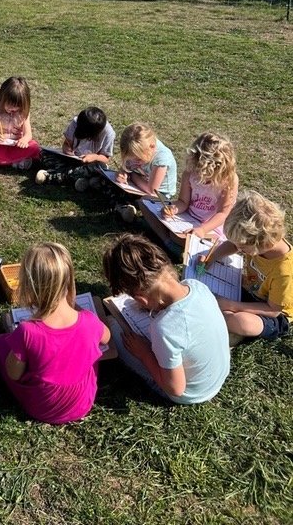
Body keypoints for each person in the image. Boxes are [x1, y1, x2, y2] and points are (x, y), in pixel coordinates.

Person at [103, 233, 230, 404]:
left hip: (192, 393)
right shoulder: (197, 286)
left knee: (114, 329)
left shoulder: (164, 328)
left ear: (142, 299)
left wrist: (145, 353)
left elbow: (176, 389)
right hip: (215, 377)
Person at [0, 243, 110, 424]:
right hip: (82, 404)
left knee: (0, 343)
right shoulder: (89, 321)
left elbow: (14, 374)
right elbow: (106, 337)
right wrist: (76, 308)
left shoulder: (28, 330)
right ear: (69, 280)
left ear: (29, 287)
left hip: (42, 407)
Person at [207, 191, 291, 341]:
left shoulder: (285, 271)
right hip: (249, 290)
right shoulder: (258, 241)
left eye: (242, 247)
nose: (238, 248)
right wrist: (212, 257)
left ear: (262, 243)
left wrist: (231, 305)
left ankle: (233, 328)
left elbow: (273, 310)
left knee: (241, 322)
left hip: (273, 312)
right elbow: (233, 246)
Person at [141, 132, 239, 244]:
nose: (201, 175)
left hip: (211, 226)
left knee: (180, 237)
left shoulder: (229, 180)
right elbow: (183, 201)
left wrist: (202, 229)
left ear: (221, 168)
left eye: (208, 173)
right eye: (199, 169)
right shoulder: (190, 173)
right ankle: (168, 242)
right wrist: (173, 209)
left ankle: (173, 242)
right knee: (144, 202)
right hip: (187, 217)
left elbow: (222, 213)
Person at [36, 106, 115, 187]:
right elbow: (67, 144)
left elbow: (105, 159)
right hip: (72, 160)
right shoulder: (76, 122)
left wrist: (94, 157)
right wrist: (67, 149)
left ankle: (54, 176)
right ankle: (78, 177)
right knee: (43, 154)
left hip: (88, 164)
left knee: (100, 167)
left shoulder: (108, 133)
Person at [114, 123, 177, 223]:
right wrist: (122, 173)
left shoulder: (162, 158)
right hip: (139, 184)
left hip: (160, 195)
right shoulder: (140, 148)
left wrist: (132, 176)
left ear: (152, 147)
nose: (135, 161)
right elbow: (127, 166)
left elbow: (151, 190)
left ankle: (131, 213)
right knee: (115, 185)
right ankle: (126, 207)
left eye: (138, 159)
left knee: (146, 202)